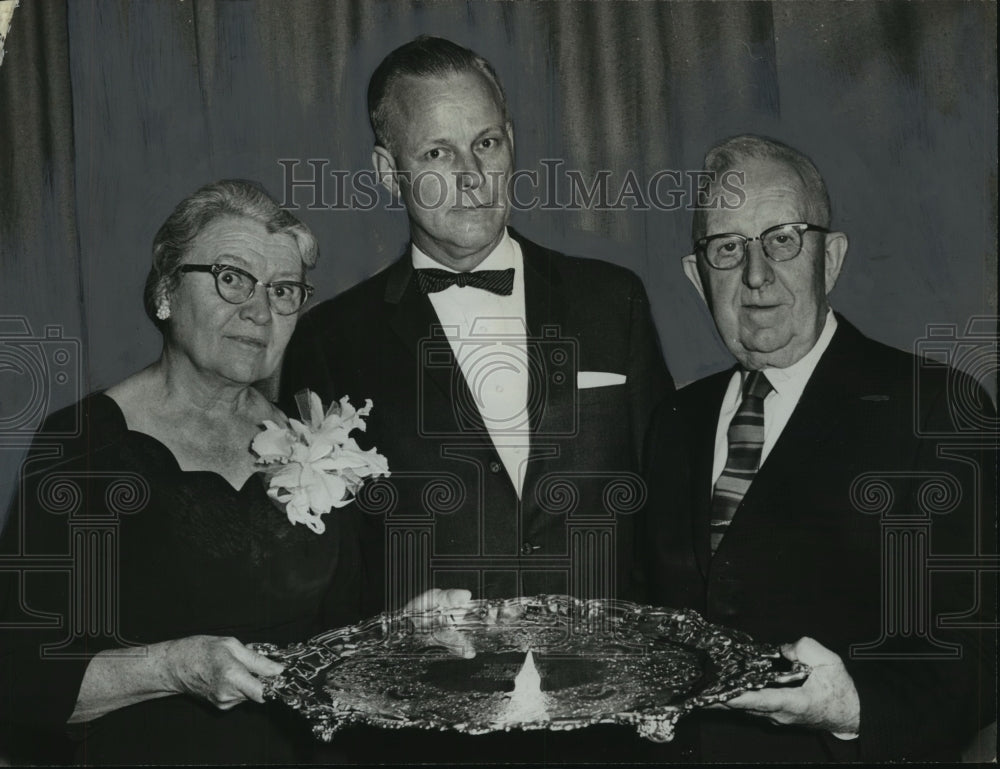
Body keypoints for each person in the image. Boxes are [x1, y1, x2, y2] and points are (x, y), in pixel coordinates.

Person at [281, 35, 673, 617]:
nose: (471, 176)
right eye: (437, 154)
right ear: (389, 172)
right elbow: (323, 570)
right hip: (430, 692)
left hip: (606, 684)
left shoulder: (613, 299)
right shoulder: (330, 340)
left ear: (510, 144)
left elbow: (668, 513)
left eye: (485, 143)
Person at [642, 135, 997, 762]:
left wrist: (848, 706)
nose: (756, 275)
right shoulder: (674, 420)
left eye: (782, 238)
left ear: (829, 259)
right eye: (728, 248)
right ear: (698, 279)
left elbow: (981, 656)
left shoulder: (935, 412)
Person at [0, 180, 363, 764]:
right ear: (167, 291)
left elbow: (341, 638)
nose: (259, 309)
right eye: (232, 277)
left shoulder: (314, 438)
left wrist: (411, 626)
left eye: (284, 289)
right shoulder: (85, 446)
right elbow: (16, 677)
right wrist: (174, 667)